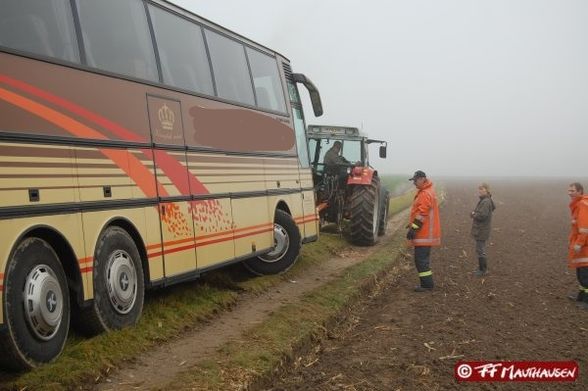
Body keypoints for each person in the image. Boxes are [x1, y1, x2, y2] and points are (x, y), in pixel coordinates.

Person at [406, 170, 441, 292]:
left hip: (425, 234)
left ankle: (427, 285)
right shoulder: (426, 192)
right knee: (421, 260)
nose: (414, 183)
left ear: (422, 179)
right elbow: (419, 213)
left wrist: (413, 229)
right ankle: (426, 284)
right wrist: (411, 225)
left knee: (421, 260)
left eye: (415, 180)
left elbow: (422, 214)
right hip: (425, 233)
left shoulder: (425, 194)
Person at [567, 182, 588, 309]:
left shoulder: (583, 205)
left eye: (572, 190)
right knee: (580, 272)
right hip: (580, 245)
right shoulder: (577, 205)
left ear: (580, 191)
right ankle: (581, 295)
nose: (569, 193)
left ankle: (586, 300)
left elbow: (585, 228)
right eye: (569, 190)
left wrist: (579, 243)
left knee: (585, 273)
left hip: (585, 246)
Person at [470, 183, 496, 276]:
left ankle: (483, 270)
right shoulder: (485, 200)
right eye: (479, 189)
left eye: (482, 189)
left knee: (480, 249)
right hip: (482, 229)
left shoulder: (485, 202)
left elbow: (482, 215)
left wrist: (473, 214)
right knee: (480, 249)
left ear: (487, 191)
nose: (480, 191)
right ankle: (481, 268)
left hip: (482, 229)